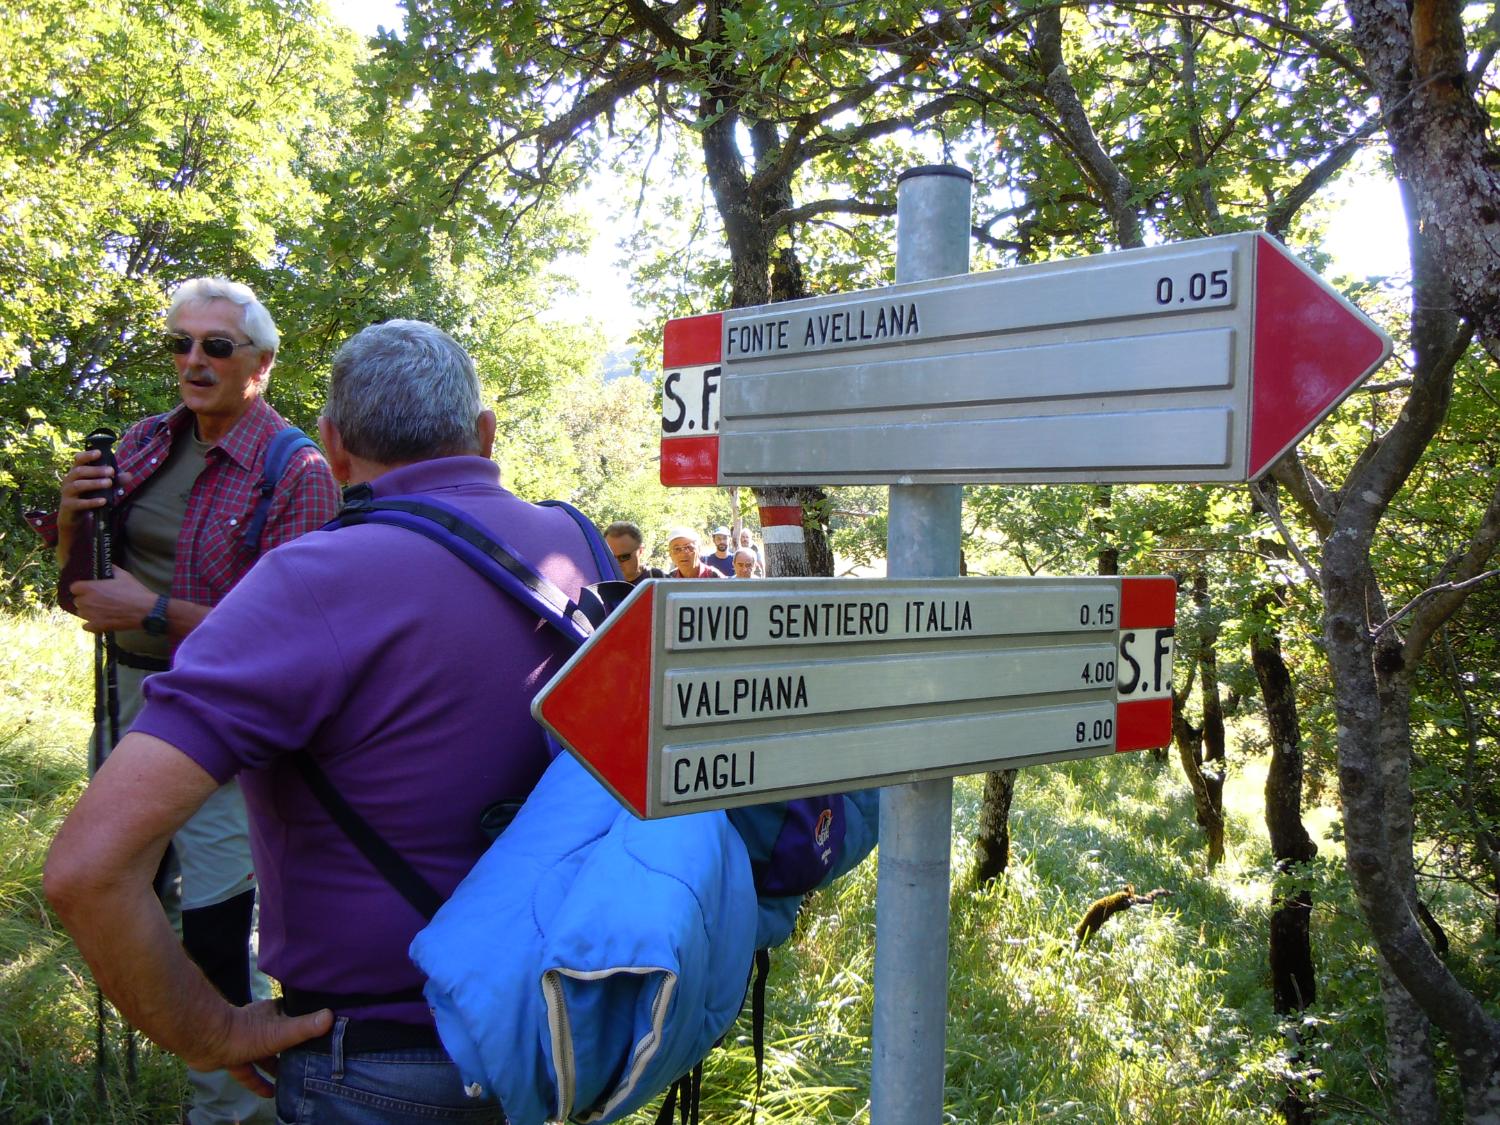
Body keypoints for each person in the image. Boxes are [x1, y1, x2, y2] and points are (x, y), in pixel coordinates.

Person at [45, 319, 608, 1124]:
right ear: (486, 435)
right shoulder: (578, 543)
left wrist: (209, 1031)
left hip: (383, 1060)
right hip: (581, 1024)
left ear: (335, 449)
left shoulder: (308, 582)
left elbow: (86, 871)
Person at [45, 277, 341, 1125]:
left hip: (228, 721)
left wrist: (150, 612)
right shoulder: (141, 442)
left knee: (217, 919)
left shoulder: (299, 470)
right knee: (118, 888)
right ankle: (182, 1065)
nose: (192, 360)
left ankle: (231, 1109)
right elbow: (75, 587)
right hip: (131, 693)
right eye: (179, 343)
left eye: (216, 346)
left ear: (263, 363)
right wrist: (71, 521)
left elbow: (290, 636)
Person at [603, 520, 665, 585]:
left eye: (624, 557)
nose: (616, 563)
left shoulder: (659, 580)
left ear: (641, 551)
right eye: (610, 557)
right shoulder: (599, 583)